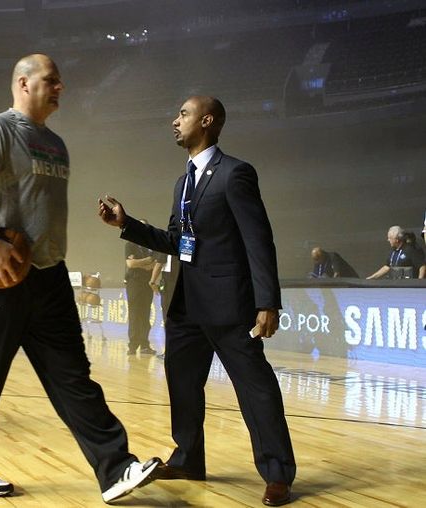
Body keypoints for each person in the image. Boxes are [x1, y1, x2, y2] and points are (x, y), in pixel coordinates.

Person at [0, 54, 160, 505]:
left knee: (73, 376)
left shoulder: (58, 145)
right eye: (52, 80)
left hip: (49, 276)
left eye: (61, 81)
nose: (61, 87)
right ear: (23, 84)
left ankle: (116, 467)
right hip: (1, 272)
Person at [98, 96, 296, 507]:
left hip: (229, 304)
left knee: (256, 389)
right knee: (183, 385)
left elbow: (259, 239)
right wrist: (127, 223)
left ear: (206, 121)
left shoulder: (236, 174)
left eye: (183, 114)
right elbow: (175, 242)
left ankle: (278, 473)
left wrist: (268, 302)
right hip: (185, 303)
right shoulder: (183, 181)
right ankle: (188, 459)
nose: (175, 121)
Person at [123, 230, 158, 355]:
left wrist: (140, 262)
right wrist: (147, 261)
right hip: (134, 283)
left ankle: (144, 345)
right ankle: (132, 346)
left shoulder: (151, 247)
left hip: (147, 283)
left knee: (145, 314)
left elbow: (154, 264)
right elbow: (130, 264)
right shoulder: (130, 245)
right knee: (134, 314)